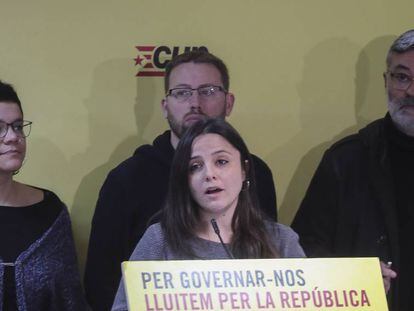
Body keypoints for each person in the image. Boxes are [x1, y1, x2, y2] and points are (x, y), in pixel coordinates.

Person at [84, 51, 278, 310]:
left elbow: (271, 273)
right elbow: (102, 283)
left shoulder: (256, 173)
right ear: (165, 106)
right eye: (182, 92)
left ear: (228, 102)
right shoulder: (127, 180)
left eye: (208, 91)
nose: (195, 102)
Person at [111, 118, 304, 311]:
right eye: (195, 166)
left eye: (221, 161)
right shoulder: (159, 239)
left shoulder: (282, 241)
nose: (209, 174)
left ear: (244, 170)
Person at [291, 29, 414, 311]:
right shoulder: (345, 160)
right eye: (402, 76)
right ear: (386, 81)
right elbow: (303, 252)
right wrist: (352, 276)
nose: (411, 91)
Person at [0, 81, 87, 310]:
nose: (12, 137)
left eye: (18, 126)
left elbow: (72, 300)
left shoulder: (50, 211)